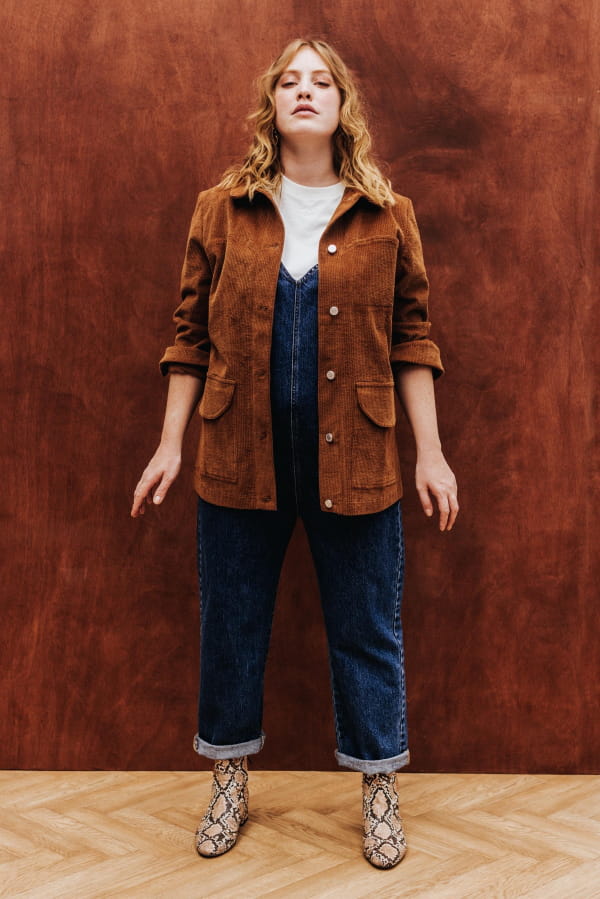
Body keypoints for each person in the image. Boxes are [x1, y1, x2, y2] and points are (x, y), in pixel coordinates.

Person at [131, 37, 458, 870]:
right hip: (238, 457)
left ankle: (379, 790)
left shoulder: (387, 214)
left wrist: (431, 454)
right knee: (232, 625)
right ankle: (229, 781)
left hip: (361, 461)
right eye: (289, 81)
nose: (304, 91)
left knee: (367, 629)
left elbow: (413, 338)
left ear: (344, 106)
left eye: (321, 81)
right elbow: (189, 336)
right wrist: (170, 443)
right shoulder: (222, 209)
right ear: (271, 104)